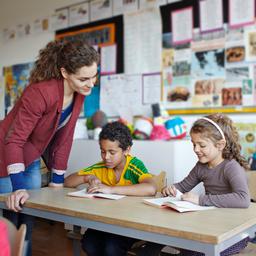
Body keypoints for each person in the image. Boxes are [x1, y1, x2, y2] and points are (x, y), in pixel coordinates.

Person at [0, 39, 100, 256]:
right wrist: (18, 186)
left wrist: (57, 182)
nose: (91, 84)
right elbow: (14, 140)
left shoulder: (79, 93)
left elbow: (66, 137)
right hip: (6, 156)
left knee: (28, 216)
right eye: (84, 78)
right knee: (9, 218)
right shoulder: (40, 93)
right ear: (64, 72)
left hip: (32, 156)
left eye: (94, 76)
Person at [161, 113, 250, 256]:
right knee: (187, 246)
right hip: (210, 226)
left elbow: (243, 199)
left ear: (220, 145)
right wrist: (171, 188)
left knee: (195, 252)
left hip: (233, 233)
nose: (196, 149)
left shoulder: (231, 167)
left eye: (201, 145)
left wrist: (200, 200)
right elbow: (183, 186)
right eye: (193, 144)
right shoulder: (201, 166)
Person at [64, 121, 157, 256]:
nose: (106, 157)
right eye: (103, 151)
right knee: (88, 243)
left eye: (112, 152)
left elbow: (151, 188)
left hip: (131, 223)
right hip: (106, 223)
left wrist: (111, 189)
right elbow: (67, 182)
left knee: (112, 248)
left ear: (127, 150)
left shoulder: (133, 165)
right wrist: (87, 178)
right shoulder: (101, 167)